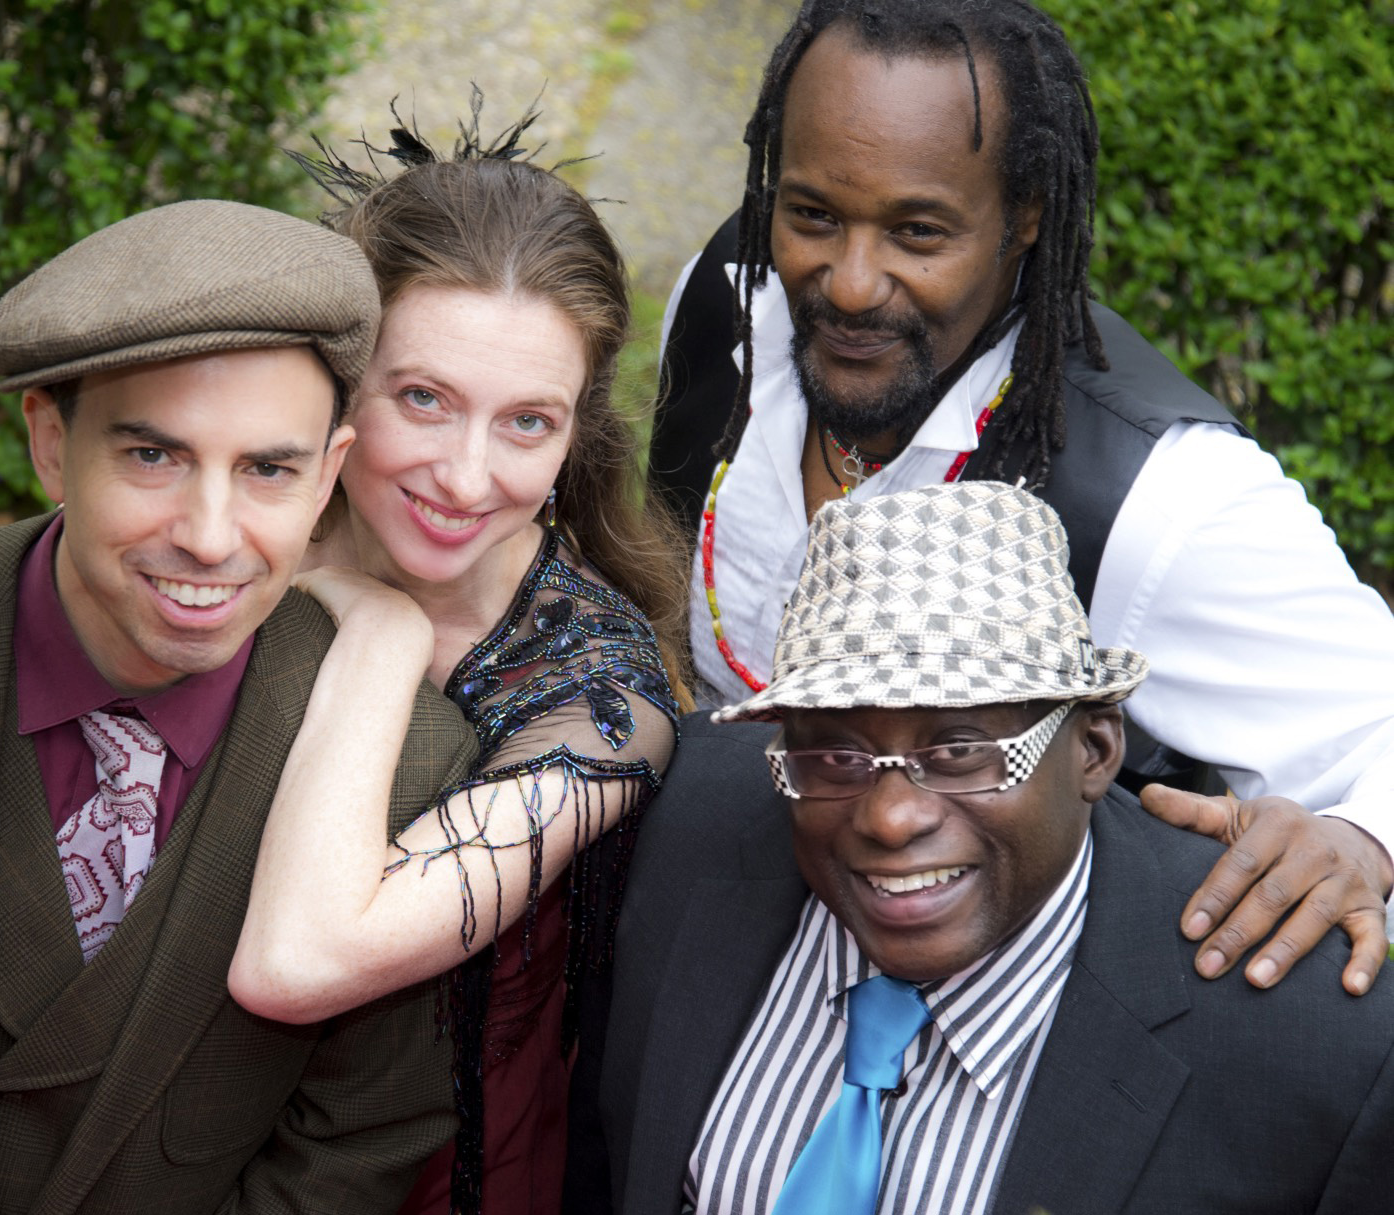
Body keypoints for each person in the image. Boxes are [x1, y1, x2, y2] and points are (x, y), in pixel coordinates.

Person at [0, 107, 685, 1215]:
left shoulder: (600, 699)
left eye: (528, 422)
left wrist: (380, 636)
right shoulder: (241, 528)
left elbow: (297, 962)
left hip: (439, 1172)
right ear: (338, 394)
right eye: (423, 398)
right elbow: (82, 535)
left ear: (579, 430)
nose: (463, 474)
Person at [0, 201, 481, 1213]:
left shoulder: (409, 766)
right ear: (48, 440)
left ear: (329, 471)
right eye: (154, 456)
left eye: (267, 469)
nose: (209, 536)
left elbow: (355, 1140)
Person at [646, 0, 1394, 996]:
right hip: (711, 969)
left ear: (1026, 215)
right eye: (812, 214)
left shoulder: (1154, 495)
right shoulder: (725, 298)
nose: (850, 283)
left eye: (917, 231)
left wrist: (1359, 840)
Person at [566, 481, 1394, 1215]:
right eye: (837, 754)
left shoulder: (1316, 1051)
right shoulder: (673, 827)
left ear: (1095, 750)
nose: (892, 817)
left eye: (961, 749)